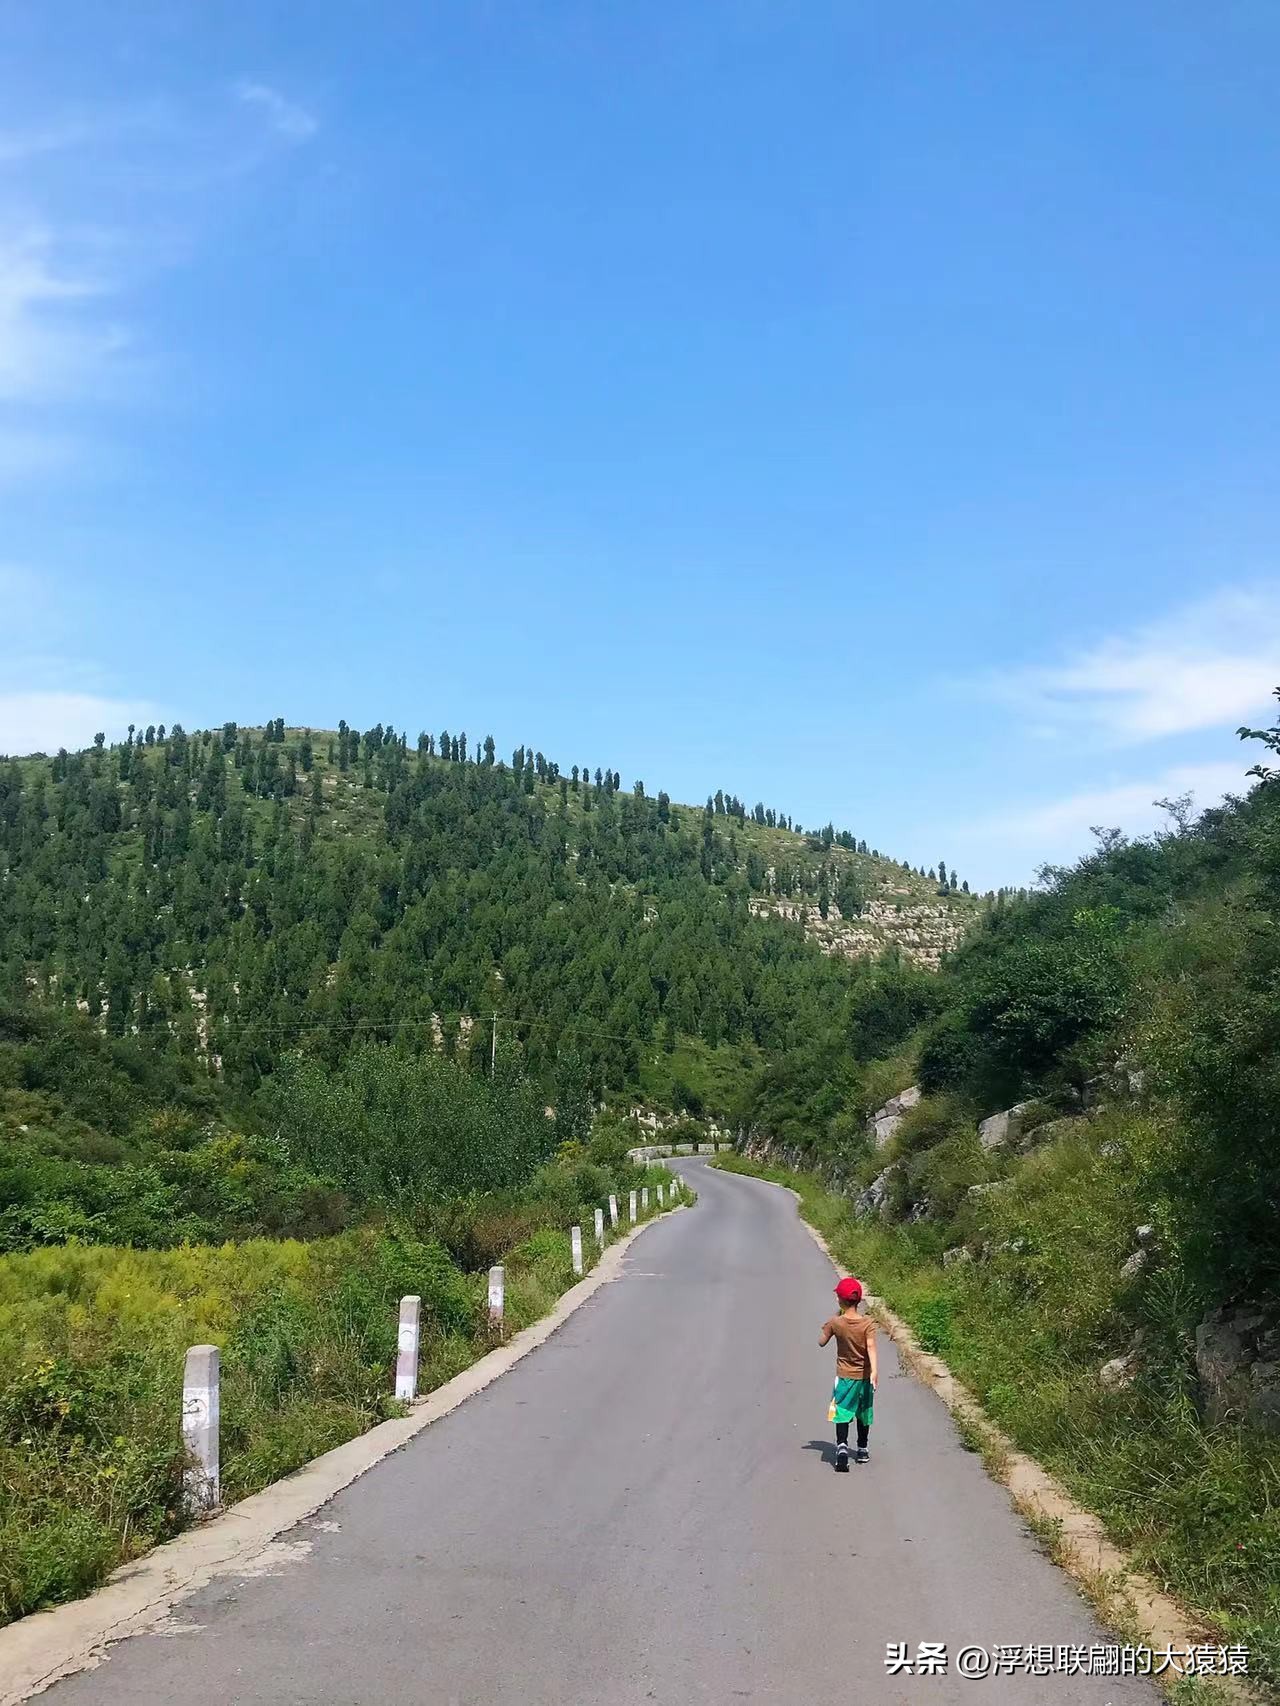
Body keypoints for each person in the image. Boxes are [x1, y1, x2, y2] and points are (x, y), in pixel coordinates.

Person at [820, 1276, 877, 1471]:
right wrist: (874, 1371)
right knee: (863, 1412)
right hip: (865, 1377)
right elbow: (871, 1346)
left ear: (840, 1300)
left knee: (842, 1413)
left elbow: (821, 1342)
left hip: (845, 1376)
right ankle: (862, 1449)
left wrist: (831, 1324)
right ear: (859, 1300)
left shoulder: (835, 1323)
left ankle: (842, 1448)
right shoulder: (868, 1324)